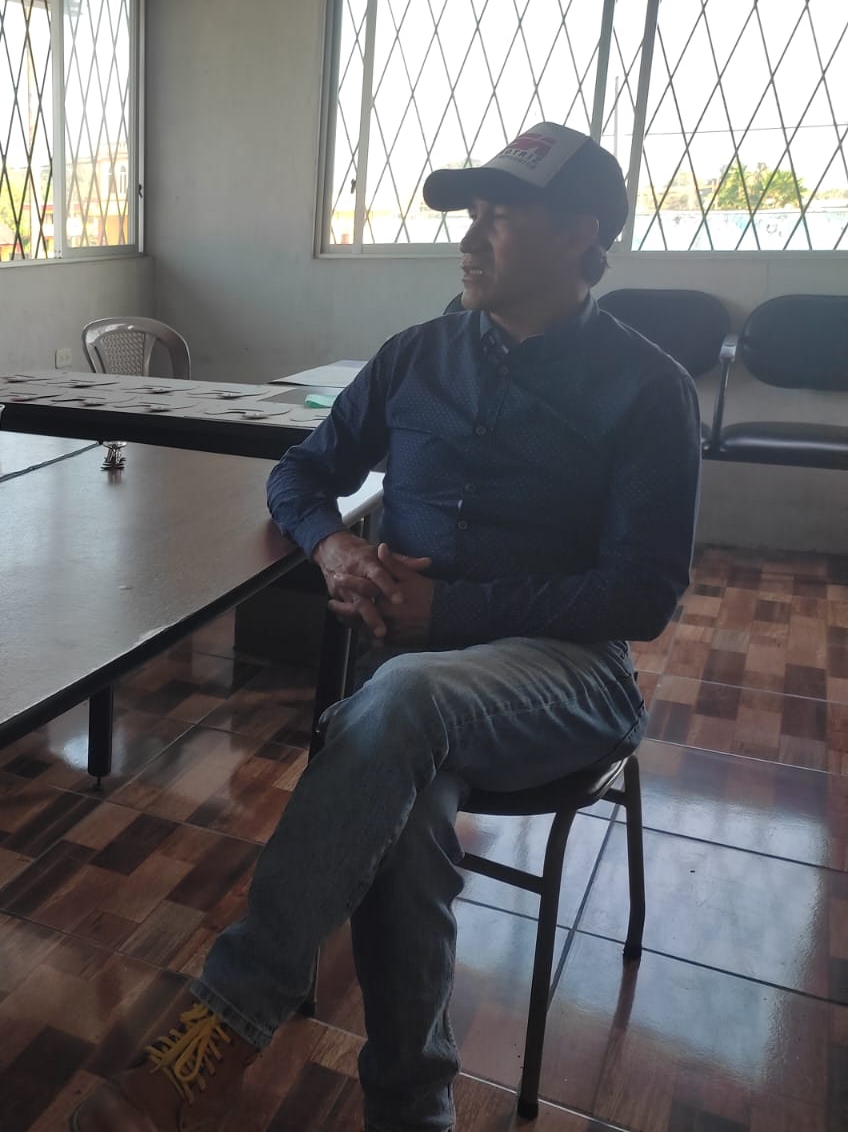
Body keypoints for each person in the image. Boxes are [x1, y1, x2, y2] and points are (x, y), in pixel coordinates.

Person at [72, 123, 702, 1131]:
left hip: (569, 678)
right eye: (469, 213)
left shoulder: (647, 388)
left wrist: (449, 610)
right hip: (411, 690)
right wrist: (333, 549)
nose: (470, 236)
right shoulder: (417, 355)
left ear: (582, 231)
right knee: (402, 807)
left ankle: (222, 1025)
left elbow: (642, 596)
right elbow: (299, 473)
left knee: (400, 695)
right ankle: (415, 1112)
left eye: (500, 216)